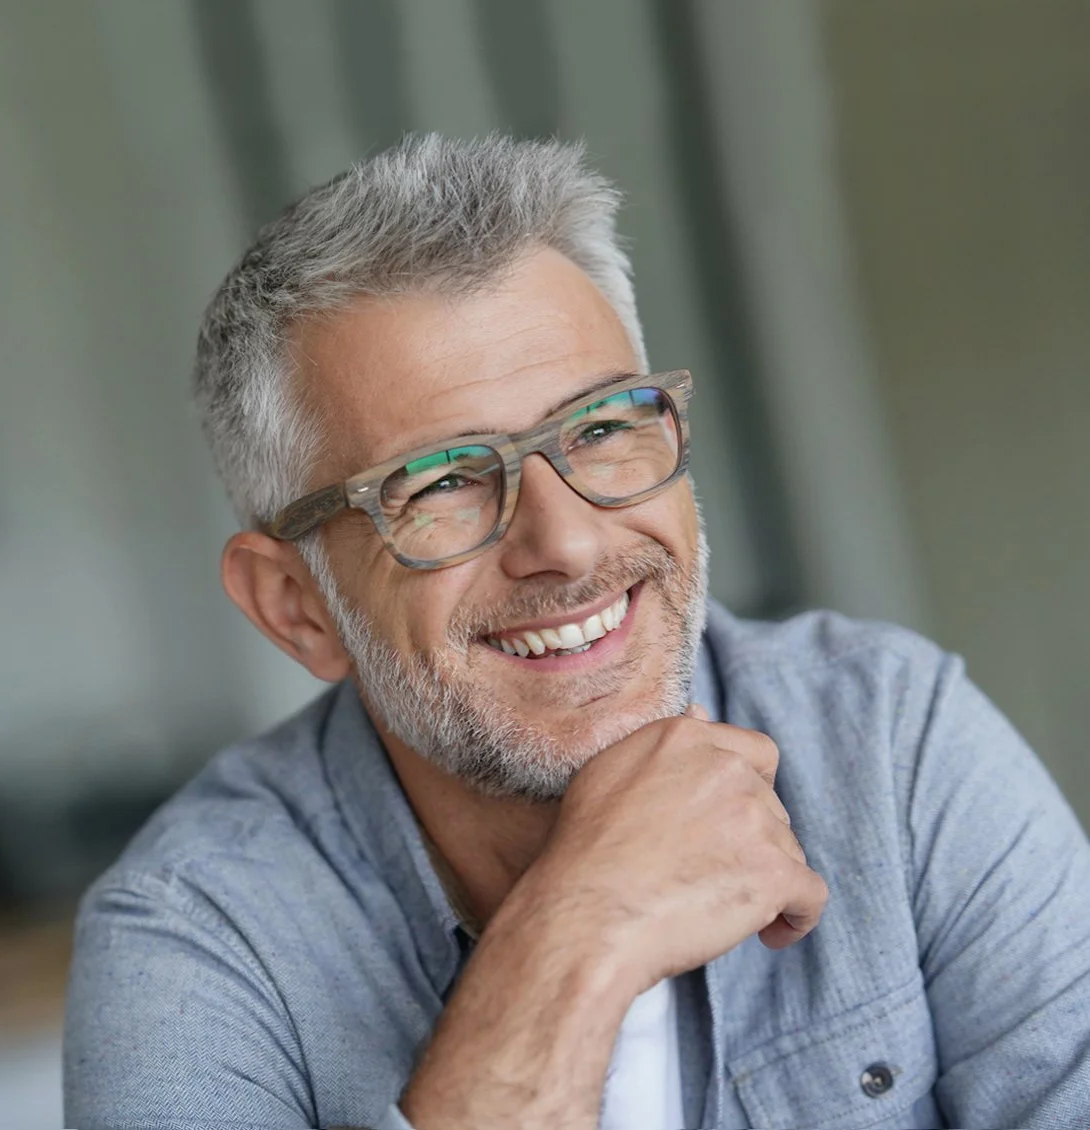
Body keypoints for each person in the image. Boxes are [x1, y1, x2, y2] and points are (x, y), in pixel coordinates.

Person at [63, 134, 1090, 1130]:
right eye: (444, 481)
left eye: (600, 427)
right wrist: (575, 934)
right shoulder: (196, 929)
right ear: (297, 604)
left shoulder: (889, 737)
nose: (564, 538)